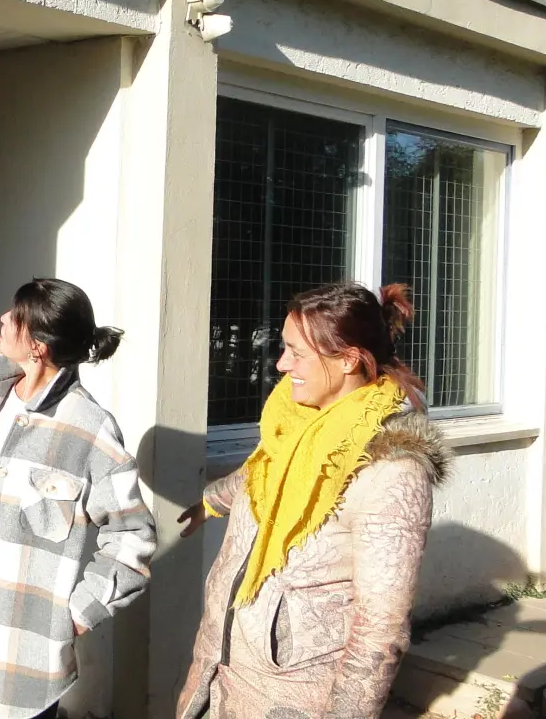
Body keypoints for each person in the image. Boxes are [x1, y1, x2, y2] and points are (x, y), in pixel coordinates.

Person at [0, 250, 156, 719]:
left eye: (13, 317)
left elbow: (132, 536)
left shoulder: (89, 429)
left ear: (38, 344)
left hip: (21, 633)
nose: (1, 318)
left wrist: (77, 613)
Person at [175, 283, 451, 719]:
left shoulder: (393, 473)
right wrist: (209, 503)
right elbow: (259, 476)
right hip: (218, 673)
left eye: (295, 352)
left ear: (347, 360)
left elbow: (379, 635)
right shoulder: (296, 421)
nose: (282, 365)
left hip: (291, 701)